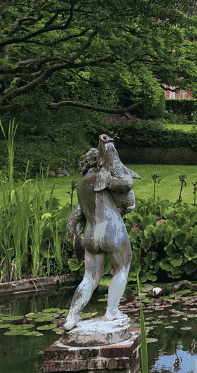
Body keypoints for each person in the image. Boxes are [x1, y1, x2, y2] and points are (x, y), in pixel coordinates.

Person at [62, 134, 138, 331]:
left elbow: (78, 213)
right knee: (122, 269)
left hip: (91, 234)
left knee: (89, 278)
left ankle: (72, 316)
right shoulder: (102, 176)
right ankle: (111, 311)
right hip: (112, 231)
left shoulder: (81, 185)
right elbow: (126, 184)